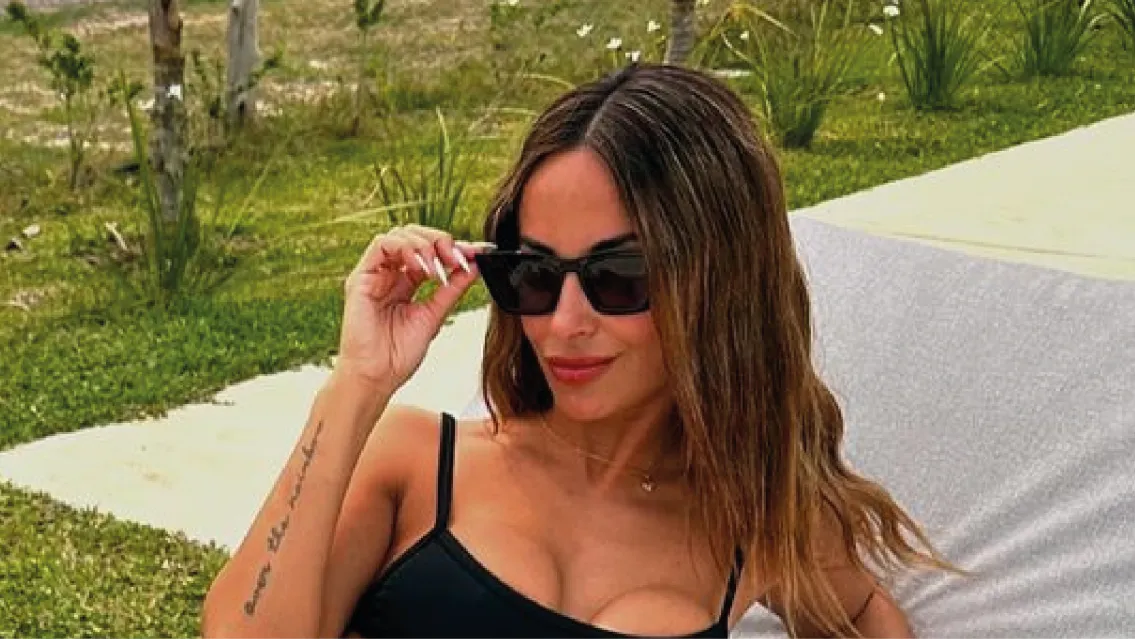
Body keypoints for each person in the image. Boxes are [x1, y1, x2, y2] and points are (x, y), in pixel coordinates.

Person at [200, 63, 963, 638]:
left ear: (720, 282)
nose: (563, 322)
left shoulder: (755, 524)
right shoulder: (417, 463)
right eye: (533, 274)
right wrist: (357, 383)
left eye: (617, 276)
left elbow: (861, 614)